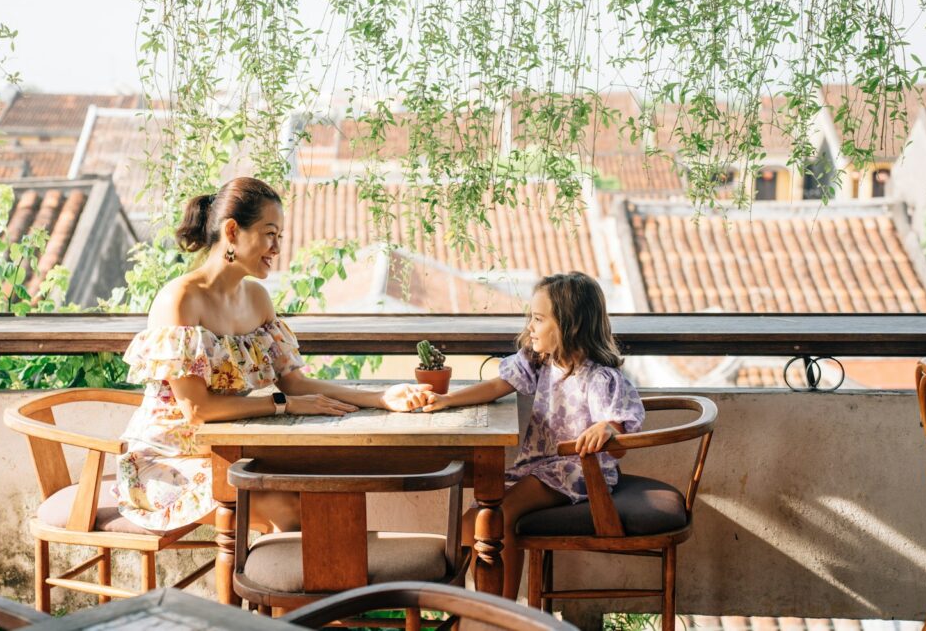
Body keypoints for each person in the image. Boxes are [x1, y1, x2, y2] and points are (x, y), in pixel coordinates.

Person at [115, 177, 432, 533]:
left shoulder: (257, 299)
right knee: (289, 506)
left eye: (279, 236)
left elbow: (295, 384)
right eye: (270, 234)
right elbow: (198, 410)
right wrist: (283, 405)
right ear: (232, 231)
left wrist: (381, 398)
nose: (277, 248)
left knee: (321, 490)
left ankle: (331, 572)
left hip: (227, 454)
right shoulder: (180, 299)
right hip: (164, 464)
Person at [416, 271, 645, 598]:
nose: (530, 328)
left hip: (577, 471)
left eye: (538, 319)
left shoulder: (600, 378)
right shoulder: (541, 362)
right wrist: (448, 399)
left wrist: (606, 428)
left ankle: (502, 610)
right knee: (469, 526)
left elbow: (619, 440)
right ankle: (476, 605)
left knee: (500, 517)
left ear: (569, 325)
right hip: (537, 466)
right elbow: (497, 386)